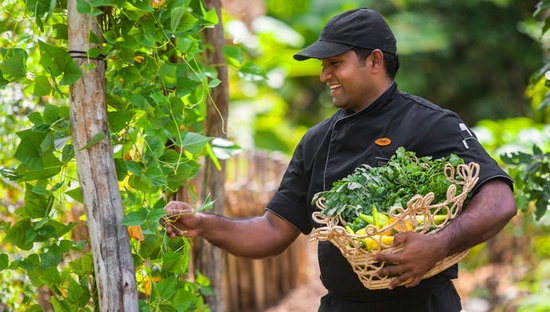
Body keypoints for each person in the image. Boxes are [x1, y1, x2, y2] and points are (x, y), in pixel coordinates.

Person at [163, 8, 517, 312]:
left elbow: (500, 200)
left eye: (335, 63)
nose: (323, 76)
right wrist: (206, 225)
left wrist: (439, 244)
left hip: (421, 304)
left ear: (375, 61)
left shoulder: (430, 123)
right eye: (322, 65)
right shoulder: (316, 141)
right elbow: (271, 232)